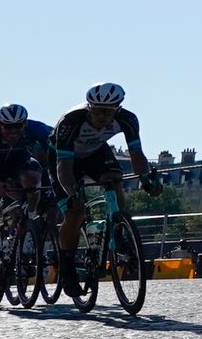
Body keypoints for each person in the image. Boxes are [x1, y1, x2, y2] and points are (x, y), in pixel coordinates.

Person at [53, 83, 163, 291]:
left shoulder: (128, 119)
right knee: (75, 211)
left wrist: (147, 178)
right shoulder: (71, 122)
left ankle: (118, 225)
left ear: (117, 109)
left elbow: (136, 155)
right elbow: (64, 169)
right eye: (96, 111)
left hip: (95, 151)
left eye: (107, 112)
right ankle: (67, 267)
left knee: (114, 178)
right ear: (89, 107)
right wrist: (72, 193)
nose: (102, 117)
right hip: (64, 159)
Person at [0, 104, 52, 297]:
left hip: (20, 166)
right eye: (8, 127)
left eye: (18, 126)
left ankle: (28, 221)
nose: (13, 131)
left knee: (34, 179)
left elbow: (61, 148)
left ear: (25, 124)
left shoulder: (38, 129)